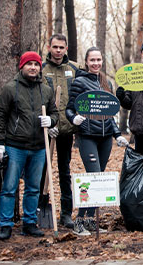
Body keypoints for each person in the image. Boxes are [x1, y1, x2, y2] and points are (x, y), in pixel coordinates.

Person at [0, 51, 59, 240]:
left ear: (40, 68)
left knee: (33, 188)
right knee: (9, 187)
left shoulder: (45, 90)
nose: (33, 67)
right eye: (29, 64)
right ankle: (5, 225)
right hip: (15, 146)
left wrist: (51, 121)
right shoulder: (10, 89)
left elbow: (55, 113)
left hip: (38, 147)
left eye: (36, 64)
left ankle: (29, 223)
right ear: (22, 67)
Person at [65, 47, 129, 236]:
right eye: (92, 60)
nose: (96, 63)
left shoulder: (106, 82)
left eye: (98, 60)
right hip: (87, 137)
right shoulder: (80, 82)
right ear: (86, 62)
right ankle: (79, 221)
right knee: (92, 178)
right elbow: (70, 108)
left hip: (105, 139)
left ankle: (91, 220)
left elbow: (109, 115)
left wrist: (117, 135)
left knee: (98, 179)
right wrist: (73, 119)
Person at [41, 33, 83, 229]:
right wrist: (46, 125)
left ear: (66, 49)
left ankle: (66, 213)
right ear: (49, 47)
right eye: (55, 47)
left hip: (66, 130)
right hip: (46, 131)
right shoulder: (41, 69)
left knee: (65, 172)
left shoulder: (74, 69)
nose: (58, 50)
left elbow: (85, 93)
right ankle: (42, 208)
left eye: (61, 47)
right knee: (43, 172)